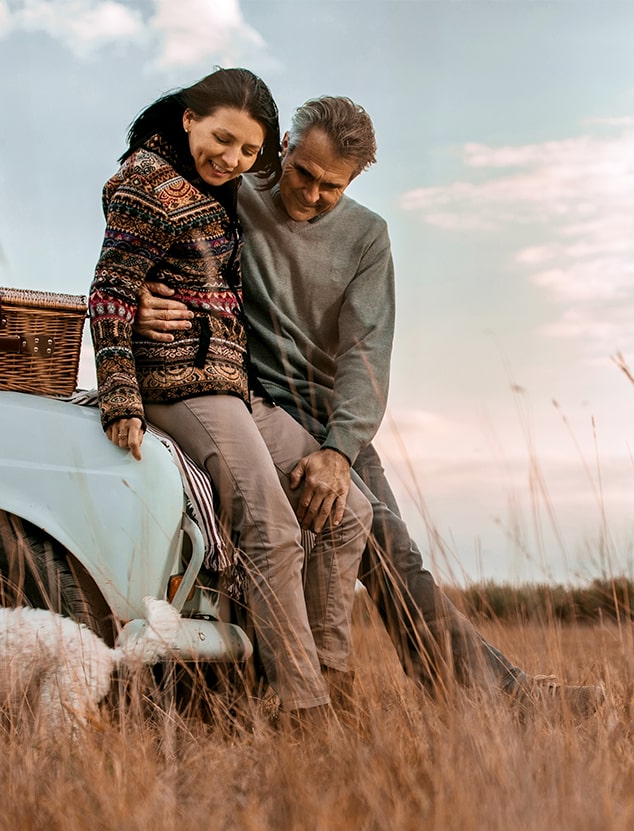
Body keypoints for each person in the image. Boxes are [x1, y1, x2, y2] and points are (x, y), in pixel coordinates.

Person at [136, 95, 604, 711]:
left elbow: (366, 354)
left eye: (331, 186)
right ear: (285, 150)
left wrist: (339, 450)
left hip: (330, 422)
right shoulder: (238, 189)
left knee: (391, 551)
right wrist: (141, 288)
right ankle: (294, 693)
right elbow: (155, 207)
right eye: (302, 173)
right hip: (246, 404)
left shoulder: (366, 237)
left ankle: (497, 696)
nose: (310, 193)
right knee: (279, 537)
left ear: (352, 181)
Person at [88, 69, 373, 723]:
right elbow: (108, 289)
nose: (233, 159)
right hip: (179, 383)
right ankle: (307, 711)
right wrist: (122, 399)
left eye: (248, 150)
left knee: (351, 506)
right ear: (189, 120)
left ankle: (324, 673)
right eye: (222, 139)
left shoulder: (223, 187)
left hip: (233, 388)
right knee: (273, 526)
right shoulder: (145, 180)